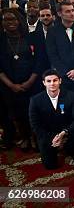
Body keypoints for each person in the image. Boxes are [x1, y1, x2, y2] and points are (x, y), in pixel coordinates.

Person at [0, 9, 42, 151]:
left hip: (32, 82)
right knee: (16, 112)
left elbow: (39, 61)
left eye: (13, 19)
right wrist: (11, 85)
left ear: (19, 20)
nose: (10, 22)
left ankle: (34, 137)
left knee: (33, 111)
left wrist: (30, 81)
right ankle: (24, 136)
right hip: (9, 84)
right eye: (6, 20)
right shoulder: (1, 40)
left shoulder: (31, 38)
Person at [29, 70, 74, 169]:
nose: (52, 83)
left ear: (60, 81)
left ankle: (71, 149)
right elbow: (35, 125)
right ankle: (55, 148)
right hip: (48, 134)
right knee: (50, 166)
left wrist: (64, 133)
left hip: (67, 131)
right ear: (44, 83)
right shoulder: (35, 100)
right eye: (49, 81)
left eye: (55, 80)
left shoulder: (71, 96)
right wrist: (52, 138)